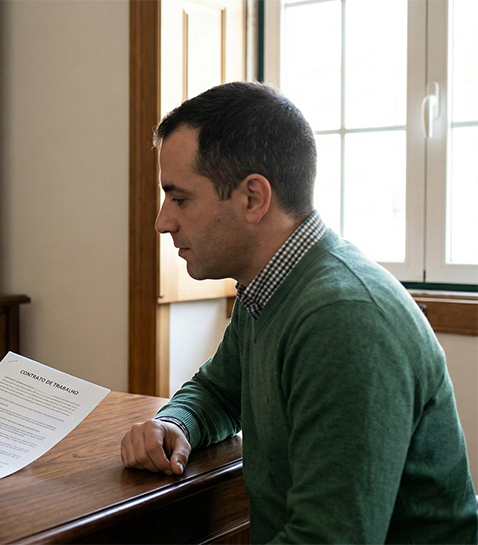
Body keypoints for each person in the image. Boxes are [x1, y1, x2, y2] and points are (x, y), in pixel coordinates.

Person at [120, 81, 477, 543]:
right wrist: (175, 422)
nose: (162, 221)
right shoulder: (269, 285)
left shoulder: (344, 319)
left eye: (180, 198)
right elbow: (220, 392)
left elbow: (331, 538)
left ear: (253, 198)